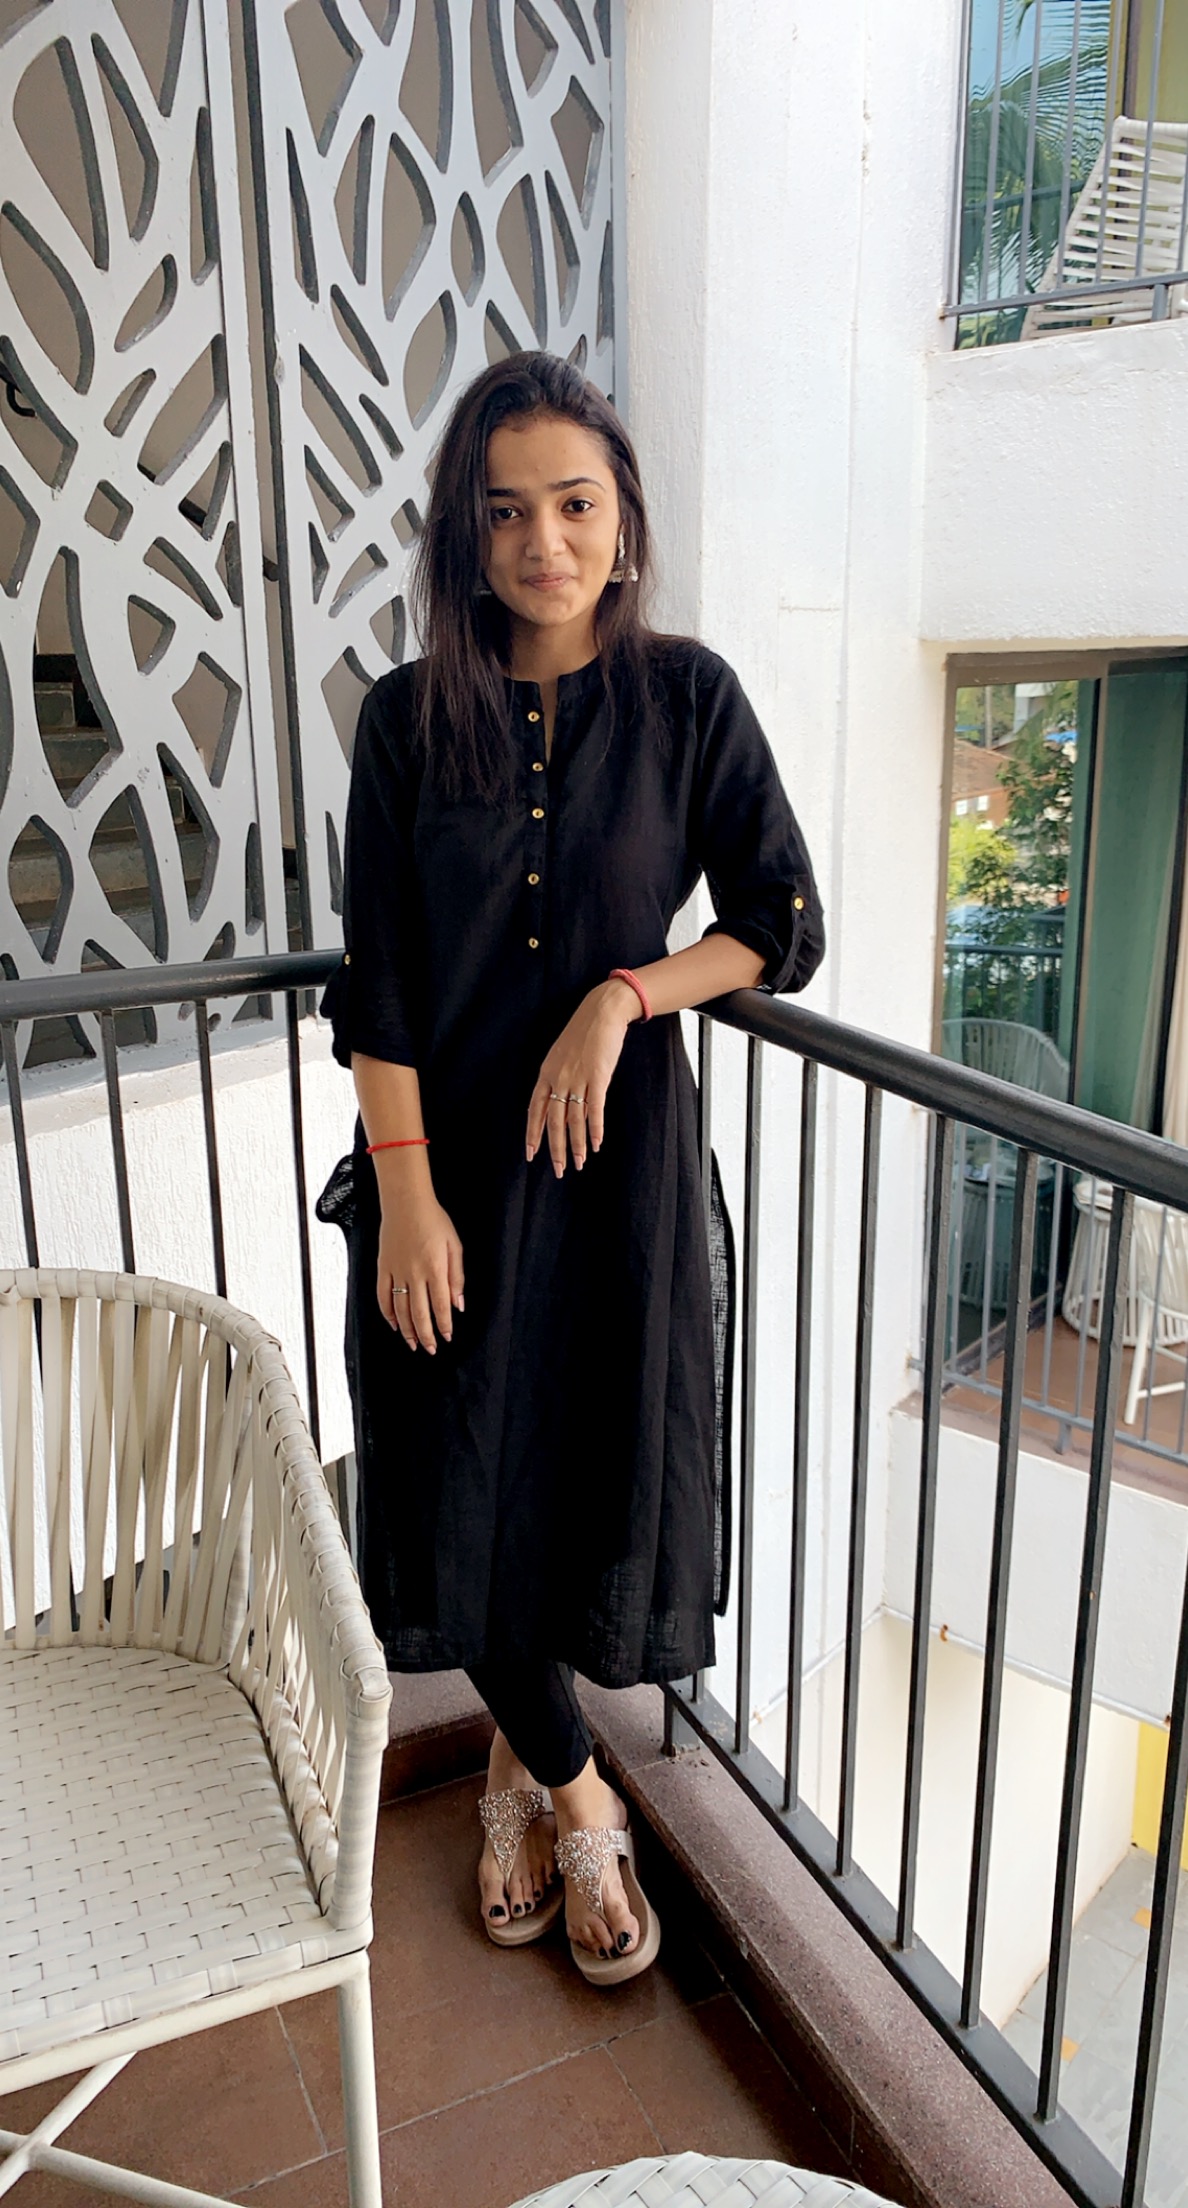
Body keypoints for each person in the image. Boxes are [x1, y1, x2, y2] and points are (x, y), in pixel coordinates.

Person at [321, 351, 824, 1986]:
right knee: (450, 1490)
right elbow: (381, 982)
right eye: (506, 512)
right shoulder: (407, 721)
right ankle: (578, 1789)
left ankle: (515, 1770)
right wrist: (405, 1196)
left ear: (624, 521)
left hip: (614, 1182)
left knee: (573, 1483)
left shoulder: (689, 700)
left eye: (575, 504)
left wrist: (626, 994)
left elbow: (780, 920)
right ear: (465, 537)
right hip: (447, 1182)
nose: (545, 541)